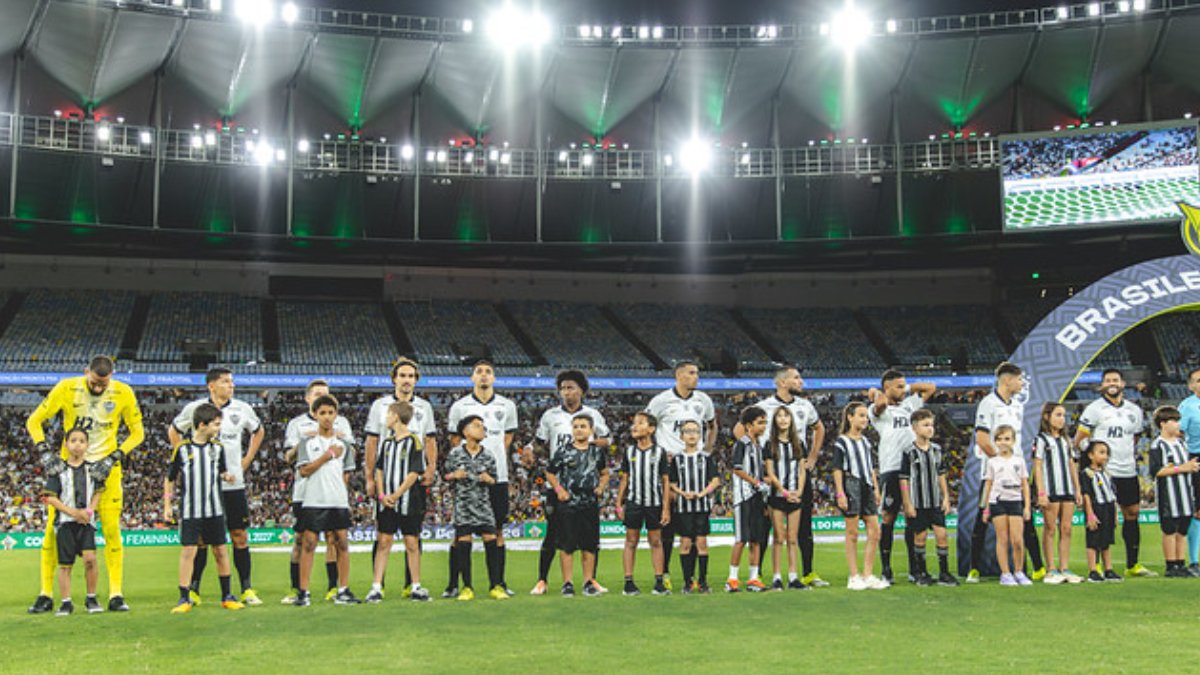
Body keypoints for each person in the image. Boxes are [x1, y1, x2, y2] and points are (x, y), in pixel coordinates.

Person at [26, 355, 144, 614]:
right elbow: (33, 421)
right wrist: (45, 452)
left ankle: (115, 594)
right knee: (52, 531)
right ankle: (46, 594)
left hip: (105, 472)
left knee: (111, 530)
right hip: (69, 471)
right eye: (94, 383)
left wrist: (114, 457)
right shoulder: (66, 388)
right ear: (85, 372)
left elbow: (138, 433)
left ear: (111, 377)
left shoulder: (124, 392)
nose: (99, 388)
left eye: (104, 383)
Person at [168, 368, 265, 606]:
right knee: (200, 540)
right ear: (211, 386)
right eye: (225, 381)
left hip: (233, 484)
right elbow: (174, 430)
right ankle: (194, 589)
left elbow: (258, 431)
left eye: (232, 381)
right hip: (204, 488)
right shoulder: (195, 409)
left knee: (239, 535)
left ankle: (246, 588)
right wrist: (188, 460)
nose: (231, 385)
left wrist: (247, 459)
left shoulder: (242, 408)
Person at [735, 365, 829, 587]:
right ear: (782, 382)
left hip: (797, 474)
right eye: (796, 378)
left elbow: (819, 428)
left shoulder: (805, 406)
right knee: (764, 527)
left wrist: (812, 458)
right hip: (771, 474)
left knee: (804, 526)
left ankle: (807, 573)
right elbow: (739, 430)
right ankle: (758, 573)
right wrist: (757, 459)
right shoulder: (763, 406)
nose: (801, 382)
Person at [526, 370, 611, 596]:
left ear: (581, 390)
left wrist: (589, 443)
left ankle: (590, 580)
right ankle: (542, 580)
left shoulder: (593, 414)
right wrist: (529, 449)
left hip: (585, 485)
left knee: (589, 537)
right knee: (553, 534)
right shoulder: (550, 415)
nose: (566, 392)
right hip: (559, 487)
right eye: (563, 388)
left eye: (571, 387)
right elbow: (540, 442)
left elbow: (607, 440)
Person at [363, 358, 438, 597]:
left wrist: (431, 468)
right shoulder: (380, 406)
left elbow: (430, 440)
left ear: (416, 380)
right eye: (402, 375)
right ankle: (378, 585)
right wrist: (370, 478)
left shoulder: (424, 408)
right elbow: (371, 442)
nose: (406, 380)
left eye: (411, 376)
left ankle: (411, 584)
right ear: (394, 379)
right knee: (383, 537)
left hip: (412, 484)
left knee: (412, 537)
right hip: (387, 483)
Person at [446, 360, 518, 598]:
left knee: (497, 529)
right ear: (472, 378)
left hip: (496, 478)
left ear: (494, 378)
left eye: (488, 372)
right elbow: (455, 441)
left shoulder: (507, 405)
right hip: (466, 481)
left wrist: (493, 458)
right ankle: (454, 584)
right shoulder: (460, 406)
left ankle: (499, 582)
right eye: (479, 372)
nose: (484, 375)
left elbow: (507, 438)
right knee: (461, 532)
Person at [281, 380, 356, 604]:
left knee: (341, 543)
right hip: (313, 499)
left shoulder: (344, 444)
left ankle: (342, 589)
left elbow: (347, 472)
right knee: (308, 543)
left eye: (331, 413)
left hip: (337, 500)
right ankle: (303, 591)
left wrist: (341, 492)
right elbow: (303, 470)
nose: (327, 417)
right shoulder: (306, 442)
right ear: (314, 414)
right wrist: (327, 456)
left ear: (336, 415)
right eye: (322, 413)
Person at [164, 403, 244, 613]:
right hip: (191, 510)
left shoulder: (217, 448)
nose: (219, 428)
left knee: (220, 551)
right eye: (216, 424)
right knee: (188, 552)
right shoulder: (182, 449)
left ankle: (227, 595)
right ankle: (184, 598)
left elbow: (221, 471)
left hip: (214, 509)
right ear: (202, 425)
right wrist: (167, 505)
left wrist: (226, 476)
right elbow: (170, 479)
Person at [646, 361, 717, 589]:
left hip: (695, 467)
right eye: (691, 373)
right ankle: (665, 572)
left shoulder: (703, 400)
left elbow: (712, 425)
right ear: (679, 375)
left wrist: (707, 451)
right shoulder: (661, 401)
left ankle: (693, 578)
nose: (696, 377)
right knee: (667, 523)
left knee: (694, 530)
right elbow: (647, 427)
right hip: (670, 467)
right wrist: (658, 453)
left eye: (697, 373)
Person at [1074, 368, 1149, 578]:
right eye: (1108, 380)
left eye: (1115, 380)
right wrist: (1095, 460)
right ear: (1102, 385)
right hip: (1105, 473)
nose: (1112, 383)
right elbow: (1079, 440)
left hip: (1128, 470)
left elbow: (1134, 438)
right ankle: (1097, 566)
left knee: (1132, 513)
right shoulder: (1094, 409)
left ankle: (1132, 564)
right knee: (1101, 516)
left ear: (1123, 383)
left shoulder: (1134, 410)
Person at [867, 369, 936, 583]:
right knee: (888, 517)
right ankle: (886, 569)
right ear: (887, 387)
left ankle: (914, 569)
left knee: (911, 517)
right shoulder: (878, 410)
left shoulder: (909, 405)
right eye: (898, 386)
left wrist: (905, 388)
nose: (903, 390)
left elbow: (930, 388)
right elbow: (879, 404)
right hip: (891, 467)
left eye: (904, 386)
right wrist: (878, 393)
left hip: (913, 468)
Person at [967, 362, 1025, 583]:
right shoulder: (988, 404)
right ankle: (974, 568)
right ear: (1007, 380)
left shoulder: (1017, 406)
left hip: (1015, 475)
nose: (1021, 383)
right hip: (992, 475)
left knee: (1023, 522)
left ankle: (1027, 569)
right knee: (982, 520)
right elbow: (982, 440)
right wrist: (1000, 464)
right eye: (1019, 379)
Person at [367, 401, 428, 602]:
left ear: (396, 416)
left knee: (411, 542)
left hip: (408, 501)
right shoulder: (387, 443)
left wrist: (397, 494)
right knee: (384, 541)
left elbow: (415, 472)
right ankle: (376, 586)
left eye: (388, 414)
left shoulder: (414, 441)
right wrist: (382, 494)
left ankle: (415, 586)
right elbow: (379, 469)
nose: (385, 418)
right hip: (387, 502)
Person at [42, 428, 105, 616]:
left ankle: (91, 598)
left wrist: (89, 511)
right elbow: (51, 498)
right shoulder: (58, 470)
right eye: (74, 440)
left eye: (82, 441)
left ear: (87, 445)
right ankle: (66, 602)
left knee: (90, 559)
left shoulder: (93, 469)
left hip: (86, 522)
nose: (78, 444)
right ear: (66, 444)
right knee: (65, 564)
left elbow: (98, 492)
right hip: (65, 522)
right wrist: (73, 512)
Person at [546, 414, 609, 597]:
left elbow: (605, 473)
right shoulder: (563, 451)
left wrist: (601, 487)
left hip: (589, 503)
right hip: (568, 504)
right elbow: (550, 473)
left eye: (583, 426)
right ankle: (567, 583)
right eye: (576, 426)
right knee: (567, 546)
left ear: (591, 430)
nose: (579, 430)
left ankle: (588, 582)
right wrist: (559, 490)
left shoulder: (597, 452)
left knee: (589, 546)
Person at [444, 415, 506, 602]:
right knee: (464, 542)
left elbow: (495, 479)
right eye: (477, 426)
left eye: (483, 426)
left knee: (491, 539)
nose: (482, 429)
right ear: (465, 432)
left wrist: (489, 479)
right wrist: (454, 475)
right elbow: (445, 474)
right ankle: (467, 586)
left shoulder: (488, 455)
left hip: (483, 505)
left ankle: (495, 585)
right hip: (463, 506)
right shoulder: (455, 454)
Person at [899, 409, 957, 587]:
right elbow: (904, 479)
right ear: (915, 428)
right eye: (925, 425)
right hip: (918, 502)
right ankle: (921, 572)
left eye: (931, 425)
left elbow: (941, 475)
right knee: (920, 536)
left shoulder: (937, 450)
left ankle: (944, 572)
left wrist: (946, 497)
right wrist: (907, 502)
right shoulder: (909, 451)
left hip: (935, 501)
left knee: (942, 534)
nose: (930, 428)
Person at [833, 402, 887, 591]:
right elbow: (837, 469)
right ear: (850, 417)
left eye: (866, 416)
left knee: (875, 531)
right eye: (861, 415)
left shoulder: (865, 441)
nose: (865, 419)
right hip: (851, 484)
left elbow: (871, 468)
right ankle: (854, 575)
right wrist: (840, 493)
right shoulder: (841, 442)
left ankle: (868, 574)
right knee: (853, 532)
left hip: (867, 485)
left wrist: (876, 488)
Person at [615, 412, 670, 596]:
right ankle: (628, 582)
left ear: (651, 429)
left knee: (656, 541)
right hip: (634, 502)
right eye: (634, 423)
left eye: (640, 423)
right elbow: (625, 479)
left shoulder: (659, 452)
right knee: (631, 541)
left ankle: (659, 582)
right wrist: (618, 503)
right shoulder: (629, 452)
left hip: (654, 503)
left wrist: (666, 508)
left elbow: (665, 481)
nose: (635, 426)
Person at [1032, 403, 1083, 584]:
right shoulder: (1041, 440)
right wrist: (1041, 492)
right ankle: (1051, 569)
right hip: (1051, 490)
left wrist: (1077, 489)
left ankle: (1064, 568)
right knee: (1050, 528)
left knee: (1067, 528)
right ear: (1047, 417)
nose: (1062, 419)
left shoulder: (1066, 441)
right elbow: (1038, 467)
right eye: (1058, 415)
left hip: (1067, 489)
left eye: (1063, 415)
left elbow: (1072, 465)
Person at [1148, 406, 1199, 577]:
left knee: (1182, 529)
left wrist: (1192, 467)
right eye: (1174, 421)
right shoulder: (1158, 445)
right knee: (1169, 529)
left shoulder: (1181, 444)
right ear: (1163, 424)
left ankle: (1180, 563)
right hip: (1168, 495)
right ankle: (1170, 565)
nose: (1178, 424)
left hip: (1185, 493)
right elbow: (1156, 471)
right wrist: (1181, 468)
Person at [670, 421, 720, 594]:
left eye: (695, 431)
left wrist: (702, 493)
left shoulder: (705, 458)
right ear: (681, 436)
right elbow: (671, 483)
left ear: (700, 435)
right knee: (685, 543)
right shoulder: (677, 459)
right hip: (683, 508)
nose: (691, 434)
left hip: (701, 507)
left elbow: (715, 480)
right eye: (687, 431)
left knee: (701, 543)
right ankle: (687, 582)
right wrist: (683, 493)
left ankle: (703, 581)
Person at [763, 406, 809, 591]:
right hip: (777, 495)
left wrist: (799, 491)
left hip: (795, 495)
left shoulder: (799, 444)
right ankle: (776, 577)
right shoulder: (770, 444)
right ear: (775, 421)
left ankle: (793, 576)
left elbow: (802, 471)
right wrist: (783, 491)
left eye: (786, 416)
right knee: (778, 537)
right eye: (779, 416)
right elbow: (770, 472)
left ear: (791, 420)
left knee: (792, 538)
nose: (783, 419)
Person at [981, 425, 1032, 587]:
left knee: (1017, 540)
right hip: (998, 502)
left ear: (1013, 441)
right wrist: (985, 508)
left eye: (1007, 439)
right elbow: (988, 485)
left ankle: (1019, 571)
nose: (1003, 442)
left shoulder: (1019, 461)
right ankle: (1005, 573)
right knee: (1002, 539)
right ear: (995, 442)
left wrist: (1027, 506)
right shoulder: (992, 462)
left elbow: (1025, 484)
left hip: (1015, 501)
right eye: (999, 439)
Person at [727, 406, 769, 593]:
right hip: (744, 496)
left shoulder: (758, 445)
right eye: (760, 422)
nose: (764, 426)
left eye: (765, 422)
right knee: (741, 539)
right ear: (749, 425)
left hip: (757, 496)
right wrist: (756, 483)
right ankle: (732, 579)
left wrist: (763, 484)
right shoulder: (742, 443)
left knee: (756, 539)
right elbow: (737, 469)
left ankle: (753, 578)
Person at [1080, 441, 1122, 583]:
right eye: (1101, 452)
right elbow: (1086, 494)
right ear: (1091, 455)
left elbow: (1112, 494)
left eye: (1106, 453)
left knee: (1106, 540)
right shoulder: (1087, 473)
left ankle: (1108, 569)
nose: (1105, 456)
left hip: (1108, 507)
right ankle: (1093, 570)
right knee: (1093, 540)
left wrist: (1115, 514)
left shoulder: (1107, 474)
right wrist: (1090, 514)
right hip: (1095, 508)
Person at [1174, 366, 1200, 574]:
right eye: (1198, 380)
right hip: (1196, 458)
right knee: (1197, 511)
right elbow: (1177, 432)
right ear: (1191, 386)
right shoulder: (1187, 406)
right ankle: (1194, 560)